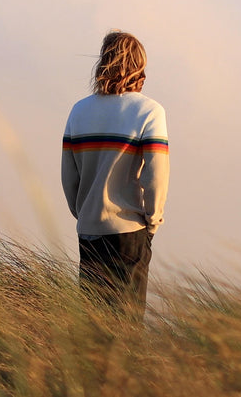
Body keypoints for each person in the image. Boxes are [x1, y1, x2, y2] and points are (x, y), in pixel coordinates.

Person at [61, 30, 169, 320]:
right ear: (139, 66)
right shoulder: (149, 111)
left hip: (89, 230)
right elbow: (156, 176)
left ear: (104, 62)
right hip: (128, 232)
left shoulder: (79, 111)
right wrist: (153, 220)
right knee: (126, 326)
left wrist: (84, 212)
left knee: (93, 322)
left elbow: (69, 176)